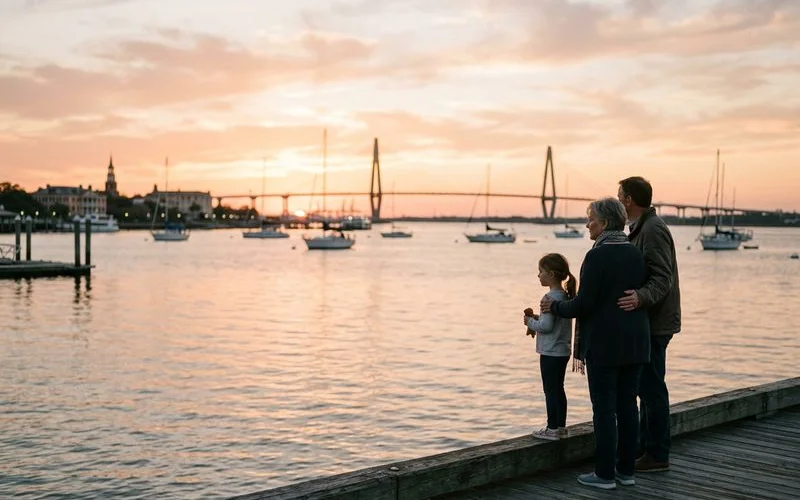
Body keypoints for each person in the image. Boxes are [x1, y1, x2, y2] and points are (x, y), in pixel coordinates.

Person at [541, 197, 650, 490]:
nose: (587, 224)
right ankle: (626, 471)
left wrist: (556, 307)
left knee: (604, 410)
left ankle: (604, 474)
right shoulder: (634, 252)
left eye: (590, 219)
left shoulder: (597, 256)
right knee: (628, 407)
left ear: (603, 222)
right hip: (637, 340)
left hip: (605, 344)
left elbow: (584, 304)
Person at [617, 176, 681, 473]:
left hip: (655, 324)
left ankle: (657, 454)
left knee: (652, 389)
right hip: (649, 322)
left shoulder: (653, 229)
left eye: (620, 197)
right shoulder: (641, 227)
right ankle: (645, 449)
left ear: (629, 199)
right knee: (646, 388)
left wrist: (640, 298)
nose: (619, 201)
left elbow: (662, 277)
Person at [522, 253, 576, 441]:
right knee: (559, 389)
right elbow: (552, 322)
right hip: (562, 351)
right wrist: (538, 319)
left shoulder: (549, 298)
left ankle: (552, 428)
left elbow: (546, 327)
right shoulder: (565, 297)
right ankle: (560, 427)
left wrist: (530, 322)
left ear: (551, 274)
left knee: (551, 390)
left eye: (541, 271)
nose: (538, 275)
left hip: (550, 352)